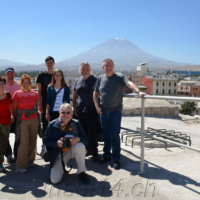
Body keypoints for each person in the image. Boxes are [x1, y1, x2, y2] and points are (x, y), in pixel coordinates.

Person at [93, 58, 146, 169]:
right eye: (106, 65)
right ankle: (107, 155)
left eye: (110, 65)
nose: (108, 67)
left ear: (113, 66)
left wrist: (138, 91)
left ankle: (116, 158)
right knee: (106, 135)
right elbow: (95, 93)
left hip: (116, 111)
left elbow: (129, 83)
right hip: (103, 111)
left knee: (115, 136)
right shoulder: (100, 78)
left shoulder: (119, 77)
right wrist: (97, 107)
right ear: (103, 68)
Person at [43, 103, 90, 185]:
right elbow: (46, 140)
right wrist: (56, 143)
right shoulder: (52, 125)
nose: (65, 115)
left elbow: (85, 140)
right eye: (63, 112)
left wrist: (78, 139)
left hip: (72, 150)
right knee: (54, 180)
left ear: (71, 114)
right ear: (59, 113)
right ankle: (61, 167)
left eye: (68, 112)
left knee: (80, 146)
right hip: (59, 153)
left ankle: (81, 172)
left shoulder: (76, 123)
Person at [13, 74, 40, 173]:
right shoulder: (17, 94)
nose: (25, 84)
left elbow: (36, 105)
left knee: (33, 140)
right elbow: (14, 107)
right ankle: (21, 165)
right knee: (23, 142)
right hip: (23, 120)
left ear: (30, 83)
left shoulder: (34, 94)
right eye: (23, 82)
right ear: (21, 83)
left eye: (27, 82)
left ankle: (30, 161)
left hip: (34, 119)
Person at [72, 62, 99, 162]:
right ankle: (87, 150)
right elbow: (74, 95)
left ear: (90, 70)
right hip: (80, 110)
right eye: (83, 69)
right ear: (80, 70)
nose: (85, 71)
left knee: (92, 132)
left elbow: (100, 93)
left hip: (92, 110)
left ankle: (95, 152)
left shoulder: (95, 80)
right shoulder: (77, 81)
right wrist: (74, 108)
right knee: (82, 132)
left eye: (87, 69)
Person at [36, 56, 54, 157]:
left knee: (55, 126)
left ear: (54, 63)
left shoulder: (57, 74)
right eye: (48, 62)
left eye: (51, 62)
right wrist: (39, 104)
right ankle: (46, 148)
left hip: (55, 105)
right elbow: (39, 91)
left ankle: (54, 148)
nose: (49, 64)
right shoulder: (41, 76)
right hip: (44, 104)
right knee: (46, 127)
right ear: (46, 64)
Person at [4, 67, 21, 163]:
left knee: (18, 134)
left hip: (17, 113)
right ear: (5, 74)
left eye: (12, 73)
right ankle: (8, 154)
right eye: (8, 73)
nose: (10, 75)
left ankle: (17, 153)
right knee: (5, 135)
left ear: (14, 74)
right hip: (5, 114)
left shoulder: (19, 85)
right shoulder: (1, 84)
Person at [0, 76, 14, 172]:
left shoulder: (8, 95)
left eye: (2, 83)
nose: (1, 86)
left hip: (6, 123)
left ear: (5, 84)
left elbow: (11, 107)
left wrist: (12, 115)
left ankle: (0, 162)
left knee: (3, 144)